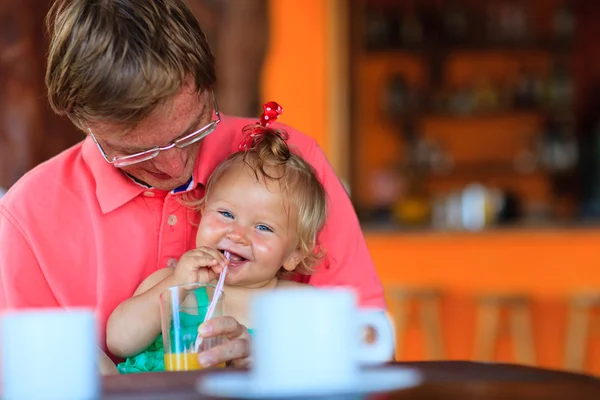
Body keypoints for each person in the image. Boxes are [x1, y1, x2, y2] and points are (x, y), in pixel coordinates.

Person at [0, 0, 386, 368]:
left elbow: (373, 346)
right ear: (78, 118)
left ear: (208, 83)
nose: (174, 166)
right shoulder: (27, 218)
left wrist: (282, 359)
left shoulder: (290, 165)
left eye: (192, 129)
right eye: (137, 151)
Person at [107, 110, 327, 372]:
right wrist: (178, 282)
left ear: (294, 255)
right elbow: (118, 342)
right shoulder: (169, 284)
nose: (237, 234)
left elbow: (323, 372)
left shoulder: (298, 305)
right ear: (202, 214)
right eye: (226, 214)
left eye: (263, 227)